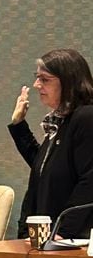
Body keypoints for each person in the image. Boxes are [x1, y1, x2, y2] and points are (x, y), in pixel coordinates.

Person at [9, 49, 93, 239]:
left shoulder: (86, 117)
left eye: (45, 79)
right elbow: (45, 168)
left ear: (69, 82)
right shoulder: (61, 121)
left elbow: (90, 181)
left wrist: (63, 231)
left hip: (73, 238)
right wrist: (19, 125)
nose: (36, 85)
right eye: (37, 78)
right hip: (50, 236)